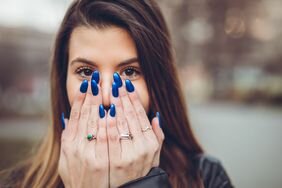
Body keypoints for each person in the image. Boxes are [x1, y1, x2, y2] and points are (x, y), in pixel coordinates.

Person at [1, 0, 234, 187]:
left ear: (158, 82)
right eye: (85, 72)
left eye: (130, 72)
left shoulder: (207, 178)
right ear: (62, 81)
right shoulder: (16, 183)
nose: (105, 97)